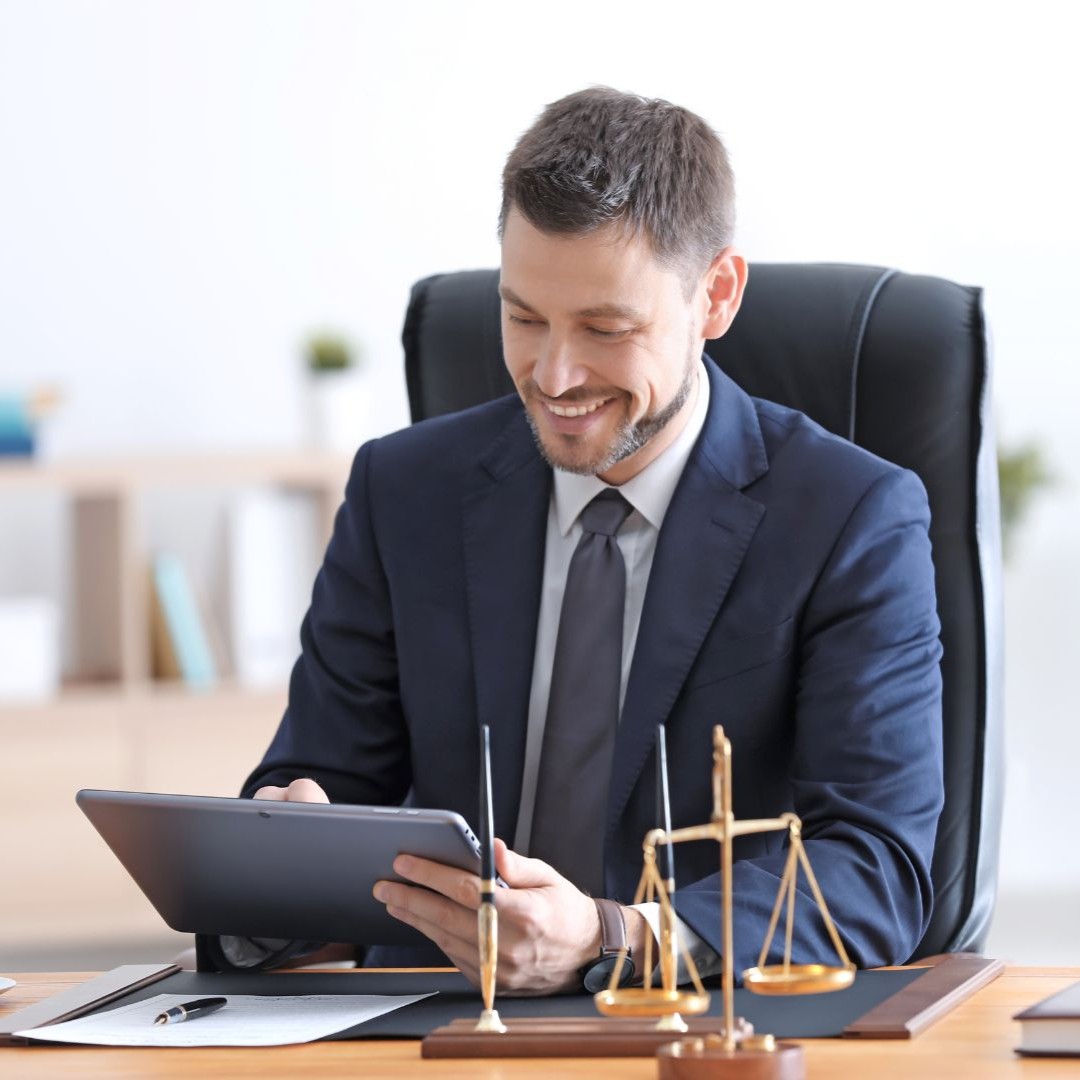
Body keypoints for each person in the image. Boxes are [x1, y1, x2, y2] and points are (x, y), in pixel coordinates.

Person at [205, 87, 944, 994]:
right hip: (427, 1026)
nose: (554, 375)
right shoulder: (404, 492)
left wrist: (614, 937)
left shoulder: (849, 517)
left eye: (606, 328)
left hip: (692, 1028)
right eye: (524, 317)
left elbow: (878, 869)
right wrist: (278, 860)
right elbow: (317, 781)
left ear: (716, 296)